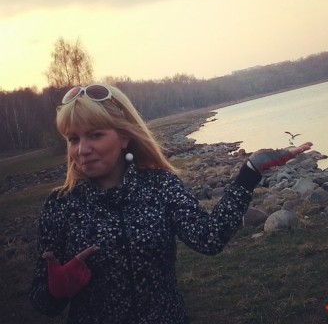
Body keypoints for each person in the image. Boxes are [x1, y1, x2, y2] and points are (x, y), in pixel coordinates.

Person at [30, 84, 312, 324]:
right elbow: (43, 303)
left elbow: (209, 238)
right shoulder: (61, 206)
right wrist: (56, 291)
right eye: (73, 139)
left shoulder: (160, 185)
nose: (82, 149)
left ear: (124, 136)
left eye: (95, 135)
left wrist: (250, 171)